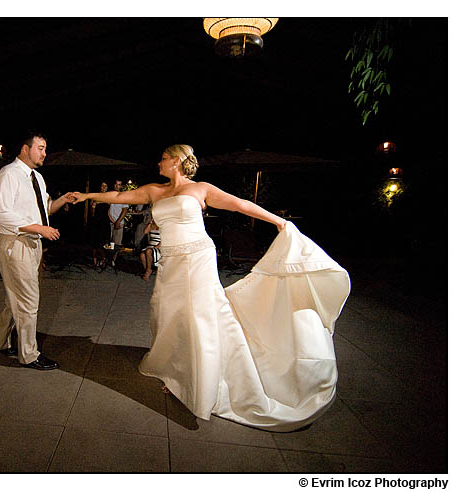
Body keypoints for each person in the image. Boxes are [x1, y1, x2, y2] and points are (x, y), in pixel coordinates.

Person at [73, 144, 350, 432]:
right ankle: (175, 371)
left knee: (197, 317)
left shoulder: (201, 188)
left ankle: (199, 381)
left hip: (196, 260)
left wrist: (279, 221)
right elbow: (119, 196)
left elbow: (240, 204)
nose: (158, 162)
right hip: (170, 264)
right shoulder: (155, 190)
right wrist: (88, 195)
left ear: (177, 161)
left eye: (163, 158)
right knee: (169, 314)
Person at [0, 131, 76, 370]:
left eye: (45, 148)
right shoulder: (7, 175)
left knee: (15, 298)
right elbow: (4, 216)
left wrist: (62, 200)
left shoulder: (37, 177)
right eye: (41, 148)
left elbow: (45, 208)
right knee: (28, 301)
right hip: (14, 244)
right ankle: (28, 354)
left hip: (33, 244)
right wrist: (39, 228)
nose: (45, 153)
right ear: (25, 149)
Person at [87, 181, 111, 269]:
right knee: (94, 243)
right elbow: (92, 212)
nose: (103, 188)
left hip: (104, 222)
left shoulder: (109, 197)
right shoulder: (95, 196)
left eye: (105, 186)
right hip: (96, 222)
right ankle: (95, 262)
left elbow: (109, 211)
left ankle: (103, 260)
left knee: (103, 242)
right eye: (102, 186)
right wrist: (93, 207)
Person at [107, 179, 129, 266]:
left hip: (119, 223)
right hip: (111, 222)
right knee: (110, 242)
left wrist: (118, 222)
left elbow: (124, 211)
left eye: (119, 184)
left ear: (121, 186)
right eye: (116, 184)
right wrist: (112, 221)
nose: (117, 186)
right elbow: (109, 210)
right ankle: (109, 258)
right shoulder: (111, 196)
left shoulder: (123, 196)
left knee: (117, 243)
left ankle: (114, 260)